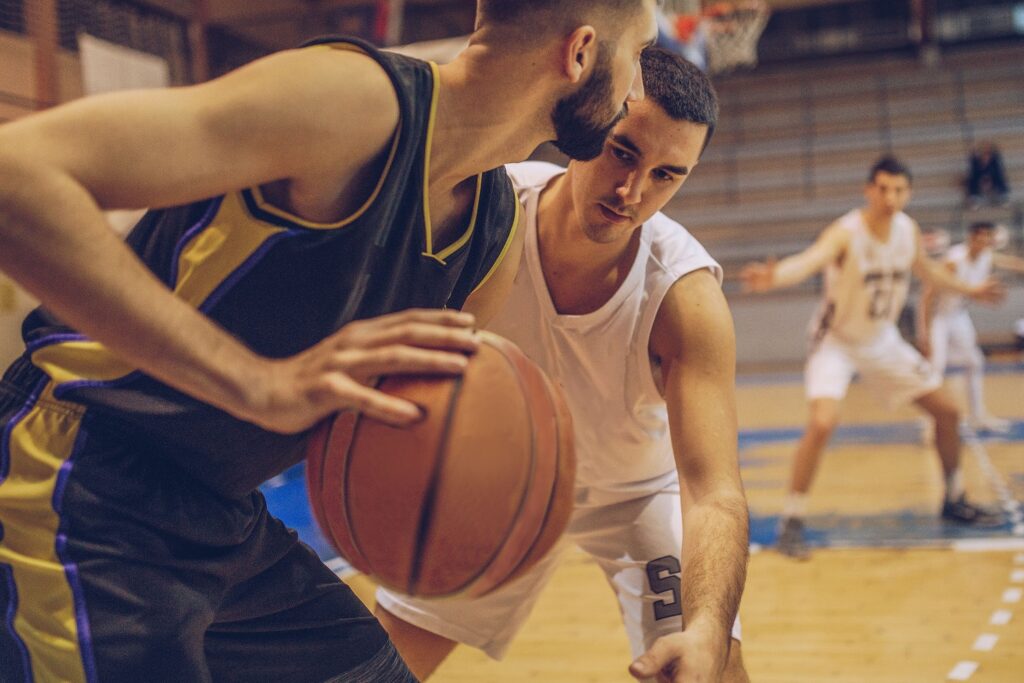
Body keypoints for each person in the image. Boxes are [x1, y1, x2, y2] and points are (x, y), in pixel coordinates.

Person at [0, 0, 661, 680]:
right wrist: (256, 381)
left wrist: (480, 508)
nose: (637, 91)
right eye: (636, 57)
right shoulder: (356, 102)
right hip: (80, 469)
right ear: (580, 52)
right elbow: (15, 175)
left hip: (221, 517)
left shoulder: (491, 237)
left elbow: (402, 434)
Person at [375, 48, 750, 683]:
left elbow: (714, 491)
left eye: (667, 174)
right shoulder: (485, 212)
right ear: (588, 126)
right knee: (374, 669)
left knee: (706, 668)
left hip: (633, 494)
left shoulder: (684, 296)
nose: (633, 192)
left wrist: (710, 629)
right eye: (624, 151)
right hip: (499, 488)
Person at [741, 156, 1006, 560]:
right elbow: (809, 260)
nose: (890, 197)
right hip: (837, 340)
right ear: (869, 190)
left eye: (898, 190)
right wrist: (774, 277)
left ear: (908, 193)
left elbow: (929, 271)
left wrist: (970, 291)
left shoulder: (907, 230)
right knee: (823, 421)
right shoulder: (846, 232)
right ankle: (791, 520)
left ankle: (953, 498)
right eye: (882, 189)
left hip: (882, 341)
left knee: (948, 412)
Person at [918, 221, 1024, 434]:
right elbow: (928, 295)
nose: (984, 242)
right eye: (980, 238)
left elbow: (1013, 263)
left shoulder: (987, 256)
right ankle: (929, 425)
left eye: (988, 239)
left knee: (975, 362)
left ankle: (977, 416)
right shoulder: (954, 261)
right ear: (971, 238)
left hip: (958, 316)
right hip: (939, 317)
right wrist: (924, 332)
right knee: (935, 368)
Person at [966, 141, 1010, 207]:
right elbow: (973, 172)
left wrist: (990, 182)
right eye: (983, 155)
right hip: (980, 182)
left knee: (1000, 177)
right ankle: (974, 199)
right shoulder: (975, 162)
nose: (985, 158)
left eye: (988, 155)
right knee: (972, 179)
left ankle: (1003, 197)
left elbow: (998, 172)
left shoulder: (994, 163)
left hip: (992, 181)